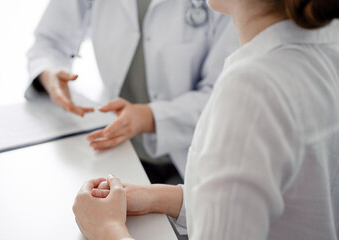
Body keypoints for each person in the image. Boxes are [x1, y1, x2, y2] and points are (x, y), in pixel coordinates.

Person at [72, 0, 339, 239]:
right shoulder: (327, 46)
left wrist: (106, 230)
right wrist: (161, 197)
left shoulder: (253, 90)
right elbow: (275, 210)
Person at [26, 0, 238, 183]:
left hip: (200, 155)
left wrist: (151, 117)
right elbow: (49, 42)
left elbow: (227, 94)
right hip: (119, 146)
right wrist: (48, 72)